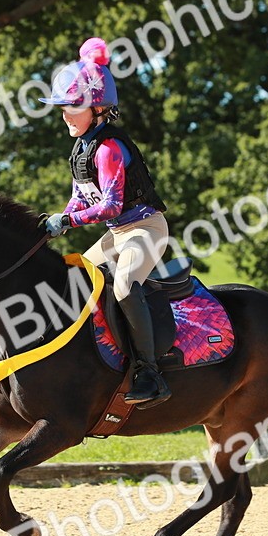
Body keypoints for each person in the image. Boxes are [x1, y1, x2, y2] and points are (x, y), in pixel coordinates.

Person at [39, 37, 172, 407]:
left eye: (73, 107)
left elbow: (111, 206)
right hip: (118, 235)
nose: (65, 114)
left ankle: (150, 373)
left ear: (98, 109)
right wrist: (56, 221)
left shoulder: (110, 149)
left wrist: (67, 219)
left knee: (125, 285)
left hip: (145, 228)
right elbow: (80, 198)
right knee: (75, 280)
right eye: (63, 107)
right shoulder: (81, 147)